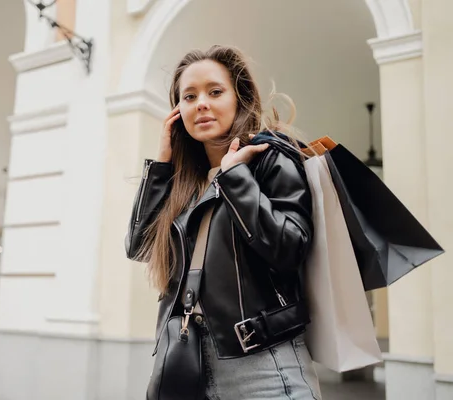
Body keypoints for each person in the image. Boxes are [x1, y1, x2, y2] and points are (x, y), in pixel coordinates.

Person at [125, 45, 322, 400]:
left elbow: (289, 248)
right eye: (189, 96)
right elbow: (138, 246)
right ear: (177, 112)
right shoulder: (184, 183)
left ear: (239, 97)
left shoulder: (270, 155)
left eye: (215, 92)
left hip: (262, 363)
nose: (201, 103)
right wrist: (162, 164)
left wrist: (235, 177)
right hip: (186, 362)